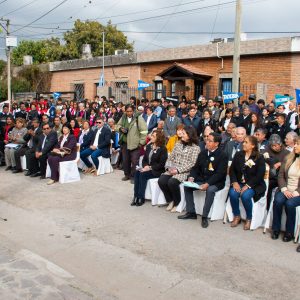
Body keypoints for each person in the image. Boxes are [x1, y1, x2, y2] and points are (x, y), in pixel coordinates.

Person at [178, 133, 228, 228]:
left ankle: (204, 217)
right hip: (202, 179)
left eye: (210, 141)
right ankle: (191, 212)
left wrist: (208, 184)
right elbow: (195, 168)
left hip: (216, 182)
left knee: (210, 190)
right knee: (187, 186)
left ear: (216, 143)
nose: (207, 142)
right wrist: (192, 177)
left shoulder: (223, 155)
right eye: (206, 140)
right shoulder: (203, 153)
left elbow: (220, 174)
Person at [158, 126, 200, 213]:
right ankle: (170, 200)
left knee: (172, 182)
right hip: (172, 168)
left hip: (184, 172)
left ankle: (177, 203)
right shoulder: (178, 144)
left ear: (189, 135)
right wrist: (168, 167)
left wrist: (178, 170)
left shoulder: (195, 148)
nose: (181, 135)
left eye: (184, 133)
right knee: (161, 180)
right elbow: (171, 157)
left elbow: (192, 164)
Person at [229, 136, 266, 230]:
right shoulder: (238, 155)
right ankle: (237, 216)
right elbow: (232, 170)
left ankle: (249, 218)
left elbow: (259, 175)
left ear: (253, 145)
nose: (243, 144)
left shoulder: (259, 157)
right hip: (239, 182)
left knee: (245, 196)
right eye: (243, 142)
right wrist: (234, 182)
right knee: (233, 193)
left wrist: (248, 185)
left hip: (253, 184)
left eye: (246, 142)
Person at [271, 136, 300, 242]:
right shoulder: (288, 158)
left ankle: (289, 232)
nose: (294, 146)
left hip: (298, 192)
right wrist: (284, 189)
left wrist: (296, 192)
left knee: (290, 204)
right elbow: (281, 175)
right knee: (278, 201)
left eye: (297, 144)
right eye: (295, 143)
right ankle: (276, 229)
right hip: (286, 189)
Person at [132, 130, 168, 207]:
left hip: (157, 170)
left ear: (158, 138)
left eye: (153, 136)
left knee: (142, 174)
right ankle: (135, 196)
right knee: (137, 172)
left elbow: (162, 164)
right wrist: (145, 166)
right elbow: (144, 159)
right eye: (152, 135)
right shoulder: (149, 146)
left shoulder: (163, 149)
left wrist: (150, 167)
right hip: (147, 168)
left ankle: (141, 197)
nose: (151, 137)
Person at [116, 104, 148, 182]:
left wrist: (141, 143)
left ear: (133, 111)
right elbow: (117, 126)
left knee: (134, 161)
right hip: (125, 143)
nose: (129, 113)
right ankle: (127, 175)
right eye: (127, 111)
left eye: (130, 111)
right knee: (125, 160)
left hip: (135, 144)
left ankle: (134, 176)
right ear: (125, 111)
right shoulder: (123, 117)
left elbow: (144, 131)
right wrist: (121, 129)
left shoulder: (138, 118)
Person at [263, 134, 289, 210]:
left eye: (276, 145)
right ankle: (264, 208)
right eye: (272, 146)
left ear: (280, 144)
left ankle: (268, 208)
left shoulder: (286, 152)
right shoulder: (267, 150)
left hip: (280, 176)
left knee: (270, 185)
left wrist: (281, 163)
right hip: (269, 174)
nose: (274, 147)